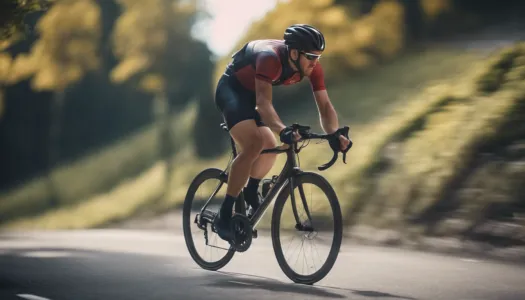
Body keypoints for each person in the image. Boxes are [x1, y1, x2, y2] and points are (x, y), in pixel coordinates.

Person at [213, 24, 351, 242]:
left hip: (253, 94)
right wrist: (283, 130)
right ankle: (223, 216)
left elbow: (325, 106)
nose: (315, 62)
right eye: (311, 56)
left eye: (318, 57)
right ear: (294, 53)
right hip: (232, 90)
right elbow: (263, 104)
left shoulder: (312, 67)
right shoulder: (270, 59)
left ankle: (251, 190)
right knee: (254, 144)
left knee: (269, 145)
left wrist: (335, 135)